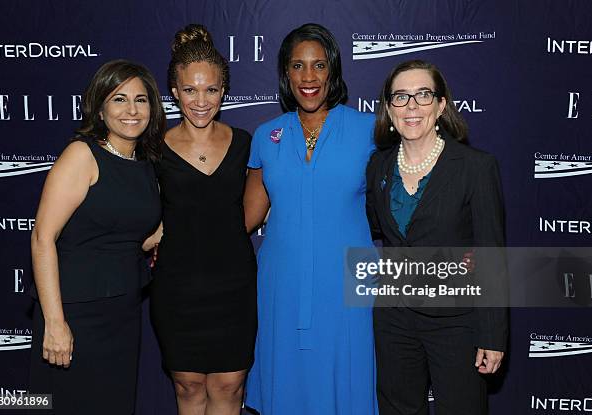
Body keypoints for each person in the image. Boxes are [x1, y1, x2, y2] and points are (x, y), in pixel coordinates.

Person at [243, 23, 377, 414]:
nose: (309, 77)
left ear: (332, 70)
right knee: (287, 385)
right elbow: (246, 218)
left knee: (345, 385)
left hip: (345, 284)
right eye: (298, 66)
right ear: (285, 73)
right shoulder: (267, 135)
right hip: (281, 284)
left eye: (319, 66)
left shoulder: (368, 130)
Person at [366, 59, 507, 415]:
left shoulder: (475, 167)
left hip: (456, 322)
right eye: (400, 97)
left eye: (423, 95)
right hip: (394, 319)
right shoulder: (378, 166)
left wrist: (492, 335)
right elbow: (375, 227)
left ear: (441, 105)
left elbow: (491, 253)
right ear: (388, 108)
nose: (411, 106)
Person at [29, 59, 165, 414]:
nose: (132, 110)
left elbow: (131, 237)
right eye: (119, 99)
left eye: (141, 99)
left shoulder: (145, 164)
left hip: (121, 314)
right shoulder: (82, 156)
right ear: (100, 109)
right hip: (75, 313)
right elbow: (43, 237)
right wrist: (55, 323)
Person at [148, 24, 257, 415]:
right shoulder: (153, 147)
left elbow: (258, 206)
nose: (200, 100)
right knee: (189, 386)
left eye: (211, 89)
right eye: (190, 90)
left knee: (229, 386)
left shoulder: (247, 143)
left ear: (223, 90)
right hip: (177, 286)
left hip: (234, 286)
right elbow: (136, 208)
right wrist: (151, 236)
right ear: (174, 92)